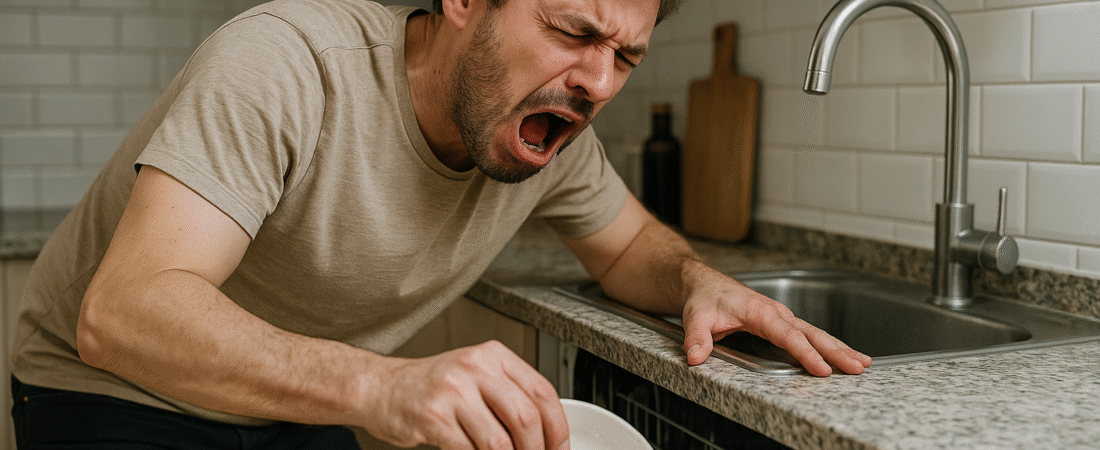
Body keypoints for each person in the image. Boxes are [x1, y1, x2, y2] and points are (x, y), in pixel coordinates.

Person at [9, 0, 872, 448]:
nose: (601, 82)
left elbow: (633, 247)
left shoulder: (549, 136)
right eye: (574, 32)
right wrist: (381, 386)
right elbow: (123, 313)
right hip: (111, 393)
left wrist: (696, 281)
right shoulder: (286, 63)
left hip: (285, 407)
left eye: (627, 57)